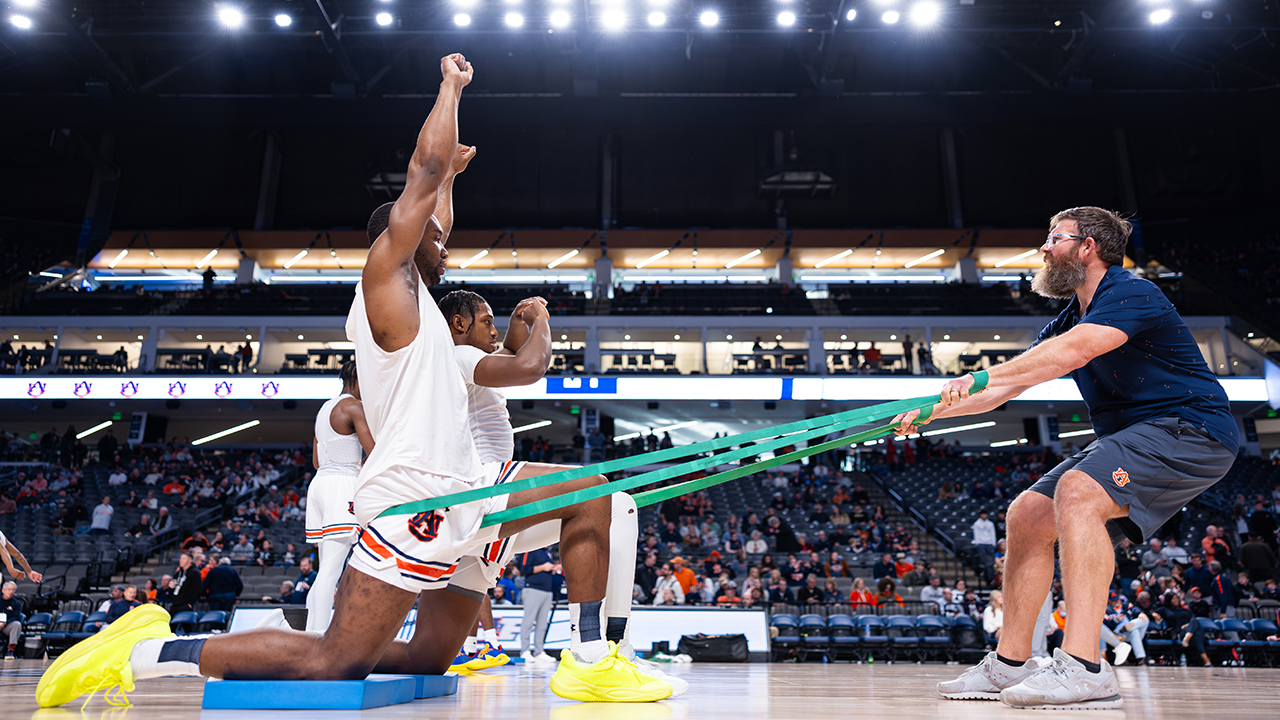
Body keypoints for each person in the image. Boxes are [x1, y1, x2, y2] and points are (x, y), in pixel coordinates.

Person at [36, 56, 668, 710]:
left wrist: (449, 178)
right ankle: (142, 651)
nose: (444, 242)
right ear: (396, 238)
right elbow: (420, 179)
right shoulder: (383, 287)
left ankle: (595, 651)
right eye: (429, 233)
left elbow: (434, 204)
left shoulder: (418, 296)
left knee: (438, 643)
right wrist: (452, 91)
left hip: (461, 488)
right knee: (331, 662)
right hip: (417, 491)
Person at [904, 207, 1238, 709]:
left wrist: (976, 376)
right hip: (1133, 435)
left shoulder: (1132, 292)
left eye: (1054, 238)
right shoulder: (1069, 317)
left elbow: (1073, 353)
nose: (1043, 248)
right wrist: (929, 413)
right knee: (1028, 514)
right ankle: (1009, 665)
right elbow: (1008, 388)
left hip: (1191, 430)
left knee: (1077, 491)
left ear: (1088, 247)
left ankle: (1085, 668)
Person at [304, 360, 372, 633]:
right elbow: (375, 451)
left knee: (325, 570)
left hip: (320, 484)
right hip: (341, 485)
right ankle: (318, 639)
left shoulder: (323, 409)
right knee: (330, 572)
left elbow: (316, 461)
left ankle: (309, 632)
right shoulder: (354, 407)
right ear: (359, 380)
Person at [972, 510, 997, 582]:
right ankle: (984, 573)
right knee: (983, 560)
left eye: (985, 514)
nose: (984, 516)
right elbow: (976, 534)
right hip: (981, 543)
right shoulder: (976, 524)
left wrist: (993, 543)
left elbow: (993, 533)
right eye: (983, 514)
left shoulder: (990, 524)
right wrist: (978, 543)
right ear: (980, 515)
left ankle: (989, 575)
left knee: (990, 561)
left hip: (989, 543)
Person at [2, 581, 23, 659]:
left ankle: (10, 650)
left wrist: (4, 623)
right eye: (9, 589)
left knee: (17, 624)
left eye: (13, 590)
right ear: (3, 590)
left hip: (6, 626)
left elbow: (16, 617)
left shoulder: (16, 603)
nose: (11, 592)